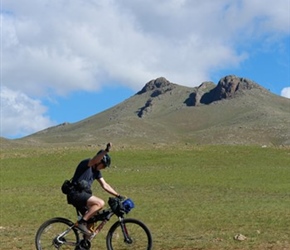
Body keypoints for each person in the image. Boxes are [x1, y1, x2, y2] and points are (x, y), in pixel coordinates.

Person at [67, 142, 123, 235]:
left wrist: (117, 195)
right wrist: (106, 151)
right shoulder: (87, 163)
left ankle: (83, 244)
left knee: (92, 219)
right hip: (76, 193)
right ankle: (81, 223)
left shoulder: (96, 172)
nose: (103, 168)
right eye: (104, 165)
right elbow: (94, 160)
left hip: (82, 196)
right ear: (99, 161)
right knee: (100, 203)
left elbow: (105, 185)